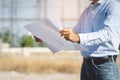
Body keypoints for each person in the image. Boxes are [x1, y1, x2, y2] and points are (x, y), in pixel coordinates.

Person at [60, 0, 120, 80]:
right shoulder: (87, 10)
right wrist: (47, 38)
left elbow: (108, 33)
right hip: (86, 66)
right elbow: (73, 33)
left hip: (105, 67)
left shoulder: (113, 5)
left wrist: (78, 37)